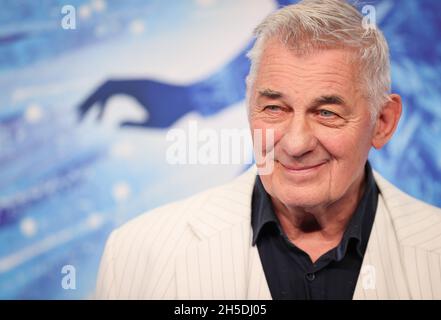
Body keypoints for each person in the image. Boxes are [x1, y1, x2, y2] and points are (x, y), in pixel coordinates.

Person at [95, 0, 441, 299]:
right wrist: (188, 97)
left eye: (326, 113)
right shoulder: (137, 255)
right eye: (274, 108)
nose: (295, 143)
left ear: (383, 122)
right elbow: (294, 56)